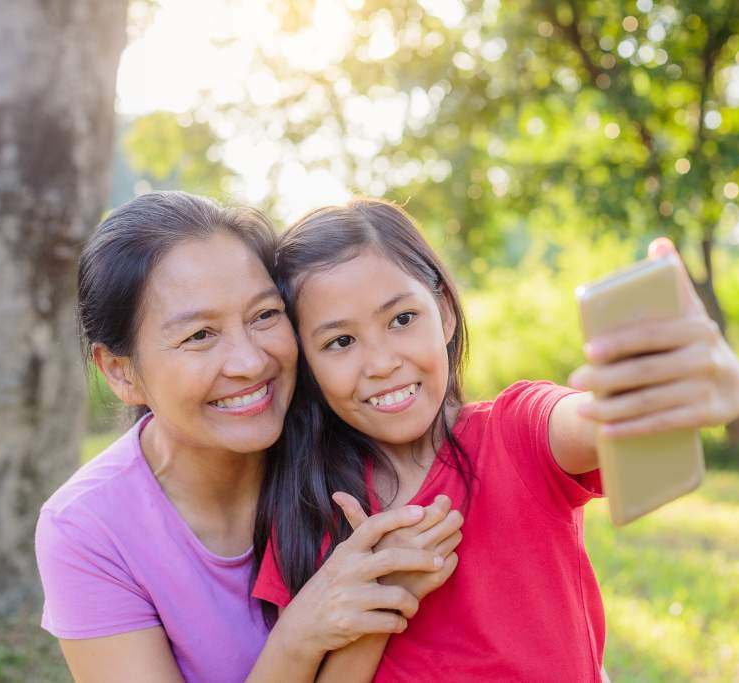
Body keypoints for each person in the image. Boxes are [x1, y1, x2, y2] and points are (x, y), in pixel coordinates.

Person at [254, 198, 739, 681]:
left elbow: (582, 419)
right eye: (340, 342)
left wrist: (668, 390)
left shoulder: (512, 434)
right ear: (307, 364)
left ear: (445, 313)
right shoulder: (307, 508)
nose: (381, 362)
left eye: (402, 319)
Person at [34, 191, 463, 683]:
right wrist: (301, 632)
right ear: (121, 371)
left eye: (264, 316)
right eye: (200, 335)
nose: (250, 362)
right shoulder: (90, 529)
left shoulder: (357, 435)